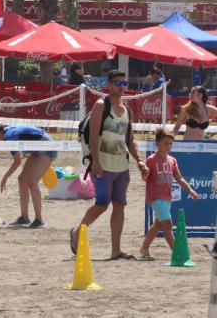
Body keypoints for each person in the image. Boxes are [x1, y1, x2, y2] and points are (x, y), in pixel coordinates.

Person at [70, 70, 148, 260]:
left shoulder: (127, 109)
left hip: (122, 166)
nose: (123, 86)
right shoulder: (100, 105)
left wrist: (139, 160)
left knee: (120, 205)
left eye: (125, 82)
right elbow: (94, 136)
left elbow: (130, 140)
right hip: (103, 165)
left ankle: (116, 250)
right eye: (119, 83)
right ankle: (77, 233)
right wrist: (95, 161)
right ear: (110, 85)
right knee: (102, 204)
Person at [0, 116, 56, 228]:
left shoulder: (10, 136)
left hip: (47, 146)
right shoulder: (6, 134)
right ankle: (24, 218)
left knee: (32, 182)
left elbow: (17, 162)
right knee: (22, 180)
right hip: (37, 149)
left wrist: (5, 178)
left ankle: (39, 220)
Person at [139, 127, 199, 260]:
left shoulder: (172, 160)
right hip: (156, 197)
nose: (168, 146)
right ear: (157, 143)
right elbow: (144, 178)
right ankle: (177, 253)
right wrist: (144, 174)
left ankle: (144, 248)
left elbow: (179, 178)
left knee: (158, 225)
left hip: (167, 198)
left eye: (170, 144)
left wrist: (190, 190)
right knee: (168, 225)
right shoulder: (151, 160)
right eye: (165, 143)